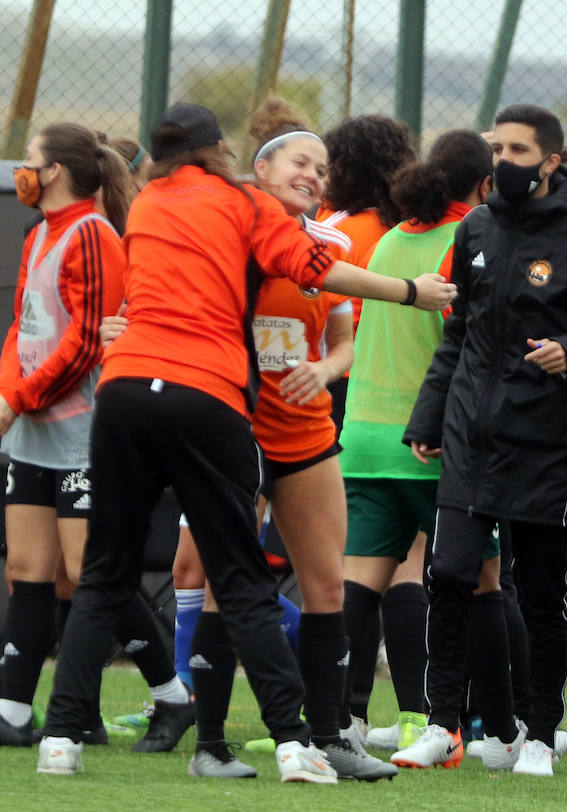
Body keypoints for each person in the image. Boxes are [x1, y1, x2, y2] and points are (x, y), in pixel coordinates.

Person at [34, 102, 454, 781]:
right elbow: (164, 296)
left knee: (323, 584)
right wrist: (411, 290)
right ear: (255, 166)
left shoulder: (321, 236)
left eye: (323, 167)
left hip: (295, 431)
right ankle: (214, 743)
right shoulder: (238, 214)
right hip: (222, 421)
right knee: (210, 578)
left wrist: (323, 366)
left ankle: (327, 738)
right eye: (299, 162)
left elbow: (339, 328)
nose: (314, 175)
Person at [403, 103, 567, 777]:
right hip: (471, 439)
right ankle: (442, 724)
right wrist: (429, 416)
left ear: (551, 163)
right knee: (448, 574)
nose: (501, 161)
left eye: (515, 150)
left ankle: (539, 734)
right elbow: (460, 333)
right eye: (495, 148)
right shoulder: (474, 228)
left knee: (540, 594)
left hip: (548, 445)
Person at [0, 122, 190, 753]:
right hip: (31, 433)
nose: (21, 169)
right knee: (30, 573)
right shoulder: (38, 235)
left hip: (83, 433)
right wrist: (8, 396)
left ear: (55, 171)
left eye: (29, 160)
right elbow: (23, 329)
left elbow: (84, 342)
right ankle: (15, 711)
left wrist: (20, 398)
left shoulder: (94, 235)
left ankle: (171, 697)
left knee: (88, 573)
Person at [329, 129, 493, 764]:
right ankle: (480, 723)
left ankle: (340, 718)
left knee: (360, 580)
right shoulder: (467, 243)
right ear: (483, 187)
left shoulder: (391, 239)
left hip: (364, 436)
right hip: (428, 444)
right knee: (483, 582)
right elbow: (467, 350)